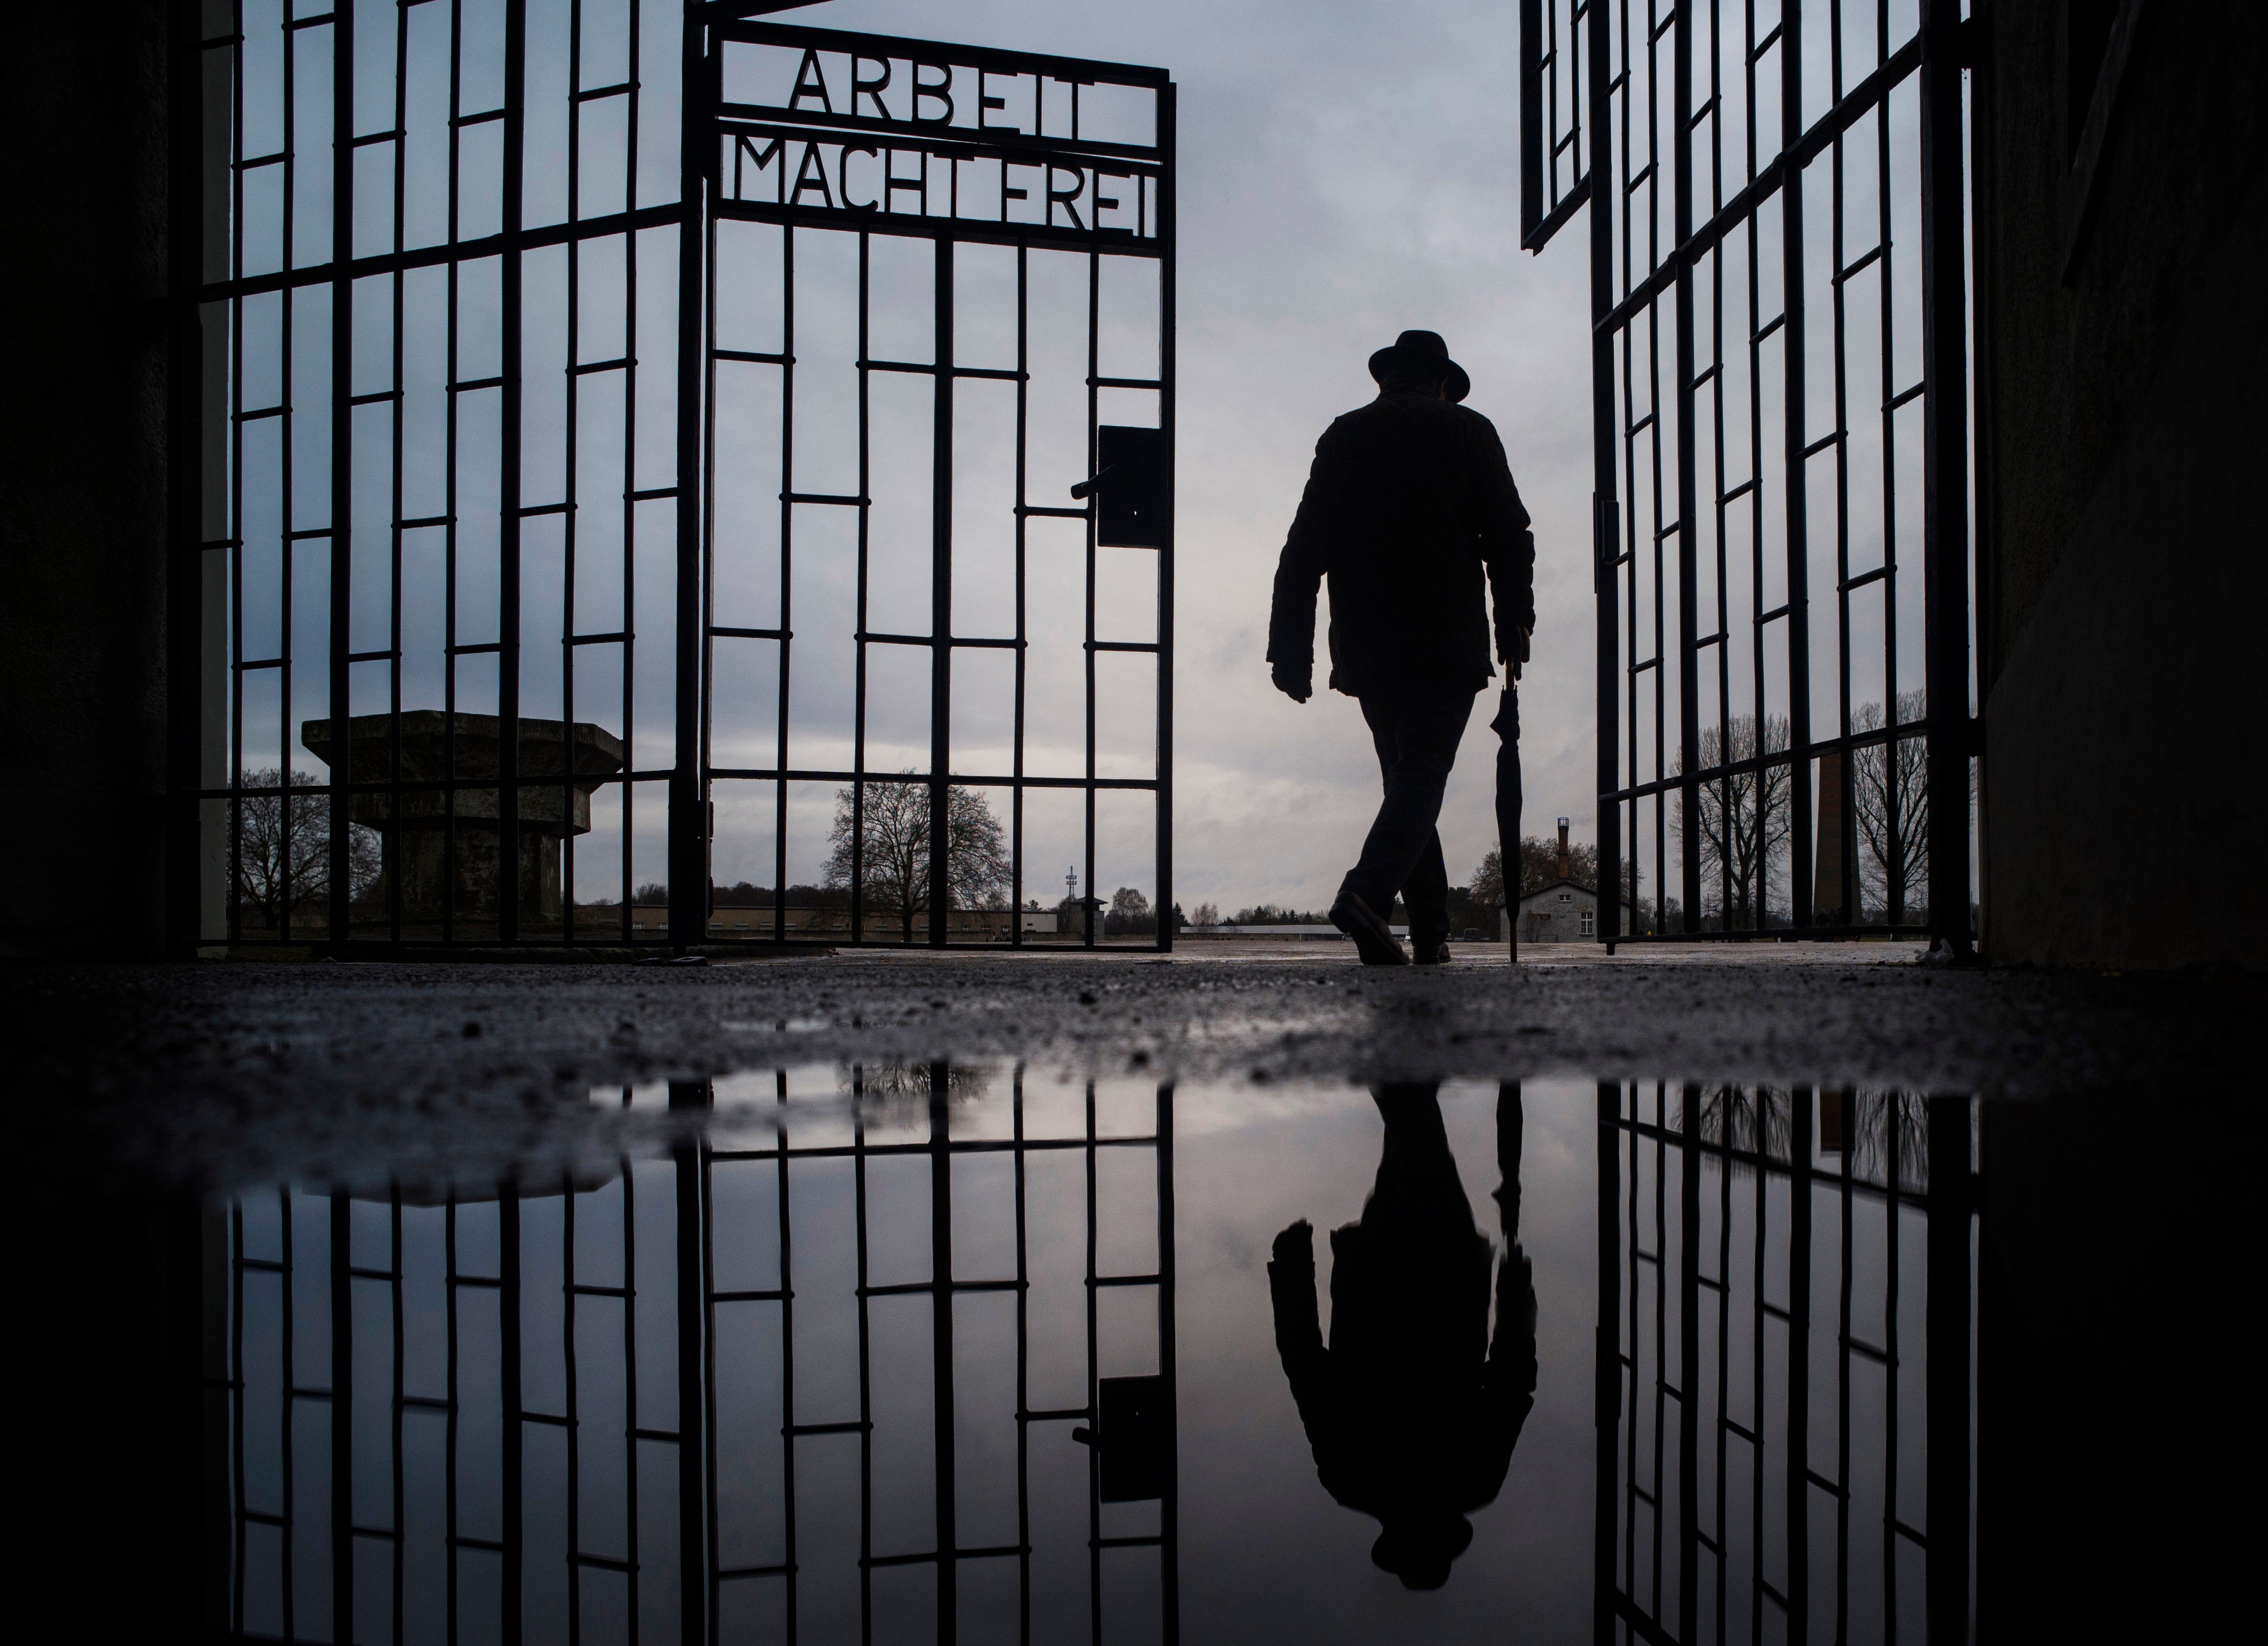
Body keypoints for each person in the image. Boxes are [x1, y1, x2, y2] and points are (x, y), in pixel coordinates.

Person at [1268, 330, 1536, 964]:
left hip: (1368, 645)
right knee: (1421, 775)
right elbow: (1506, 535)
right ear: (1441, 381)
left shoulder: (1344, 435)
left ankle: (1429, 931)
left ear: (1386, 378)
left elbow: (1303, 547)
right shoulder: (1467, 431)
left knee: (1406, 779)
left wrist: (1290, 649)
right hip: (1444, 637)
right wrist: (1513, 622)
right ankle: (1365, 894)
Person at [1267, 1082, 1538, 1591]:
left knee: (1417, 1144)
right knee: (1415, 1143)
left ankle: (1404, 1054)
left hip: (1445, 1277)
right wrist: (1292, 1270)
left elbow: (1510, 1379)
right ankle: (1403, 1058)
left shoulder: (1474, 1482)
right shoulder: (1349, 1480)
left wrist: (1517, 1297)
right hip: (1383, 1278)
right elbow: (1304, 1364)